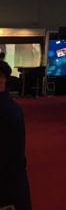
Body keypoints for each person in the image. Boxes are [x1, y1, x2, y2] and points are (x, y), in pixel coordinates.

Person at [0, 60, 31, 210]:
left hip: (7, 188)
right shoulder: (10, 107)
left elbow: (11, 157)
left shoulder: (8, 111)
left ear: (2, 79)